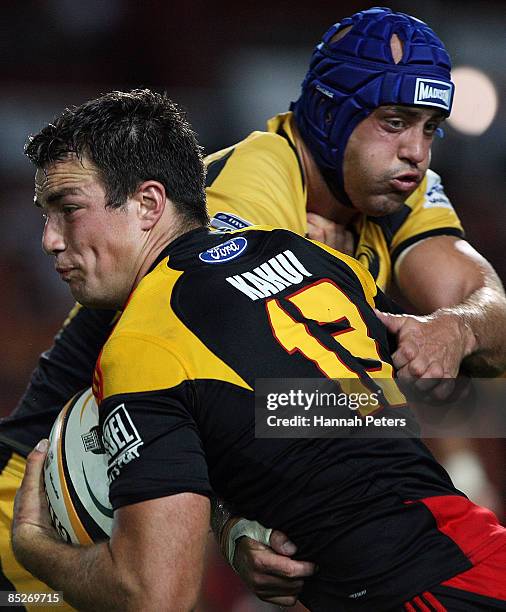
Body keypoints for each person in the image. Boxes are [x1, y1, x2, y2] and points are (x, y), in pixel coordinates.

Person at [2, 5, 506, 605]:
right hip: (58, 484)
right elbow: (218, 386)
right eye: (394, 122)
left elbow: (489, 317)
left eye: (430, 127)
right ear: (327, 115)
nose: (416, 152)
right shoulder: (245, 199)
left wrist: (457, 328)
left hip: (162, 471)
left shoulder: (396, 185)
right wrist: (232, 519)